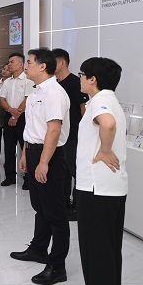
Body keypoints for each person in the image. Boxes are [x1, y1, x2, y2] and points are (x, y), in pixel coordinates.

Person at [10, 48, 71, 285]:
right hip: (35, 151)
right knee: (40, 207)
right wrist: (26, 154)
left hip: (50, 155)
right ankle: (38, 248)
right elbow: (32, 128)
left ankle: (57, 266)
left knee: (55, 213)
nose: (26, 66)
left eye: (29, 62)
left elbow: (54, 131)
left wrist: (44, 162)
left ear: (43, 66)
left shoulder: (54, 93)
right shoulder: (36, 91)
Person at [76, 57, 126, 285]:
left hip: (96, 189)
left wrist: (105, 150)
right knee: (109, 251)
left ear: (92, 79)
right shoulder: (111, 99)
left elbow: (107, 124)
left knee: (96, 253)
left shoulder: (100, 101)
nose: (80, 78)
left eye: (81, 74)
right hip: (112, 187)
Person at [53, 48, 88, 221]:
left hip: (74, 135)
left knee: (76, 171)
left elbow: (83, 109)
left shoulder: (75, 82)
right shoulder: (55, 84)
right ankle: (65, 203)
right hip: (60, 135)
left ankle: (78, 207)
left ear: (62, 63)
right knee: (63, 172)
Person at [0, 53, 34, 188]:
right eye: (8, 62)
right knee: (8, 147)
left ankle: (28, 178)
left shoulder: (28, 80)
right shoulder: (7, 82)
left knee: (25, 147)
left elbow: (27, 99)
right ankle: (10, 176)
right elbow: (2, 99)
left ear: (21, 64)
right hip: (9, 115)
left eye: (12, 62)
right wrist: (11, 111)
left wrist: (16, 115)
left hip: (23, 117)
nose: (9, 64)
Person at [0, 63, 12, 166]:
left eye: (7, 70)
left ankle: (9, 161)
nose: (4, 71)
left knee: (8, 138)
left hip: (8, 110)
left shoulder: (12, 83)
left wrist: (1, 104)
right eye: (3, 69)